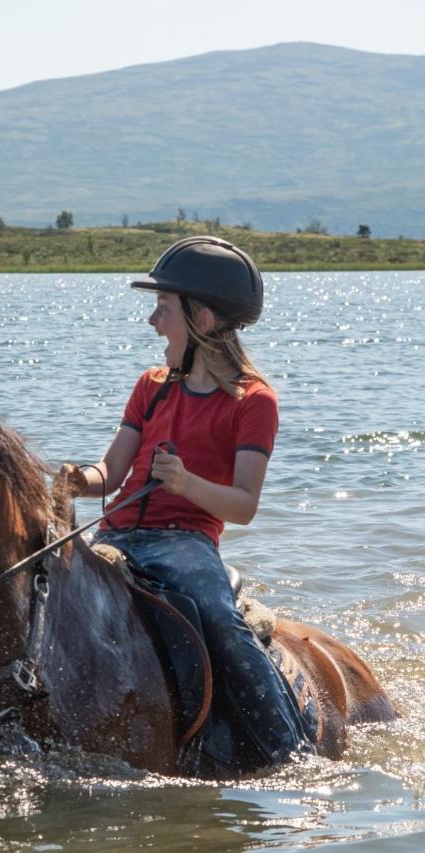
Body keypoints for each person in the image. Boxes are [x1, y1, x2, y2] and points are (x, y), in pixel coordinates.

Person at [81, 235, 313, 768]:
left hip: (185, 545)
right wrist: (74, 479)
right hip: (114, 535)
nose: (153, 323)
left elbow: (243, 506)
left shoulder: (255, 402)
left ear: (202, 320)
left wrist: (185, 484)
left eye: (163, 310)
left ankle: (290, 753)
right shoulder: (150, 385)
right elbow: (110, 472)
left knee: (216, 616)